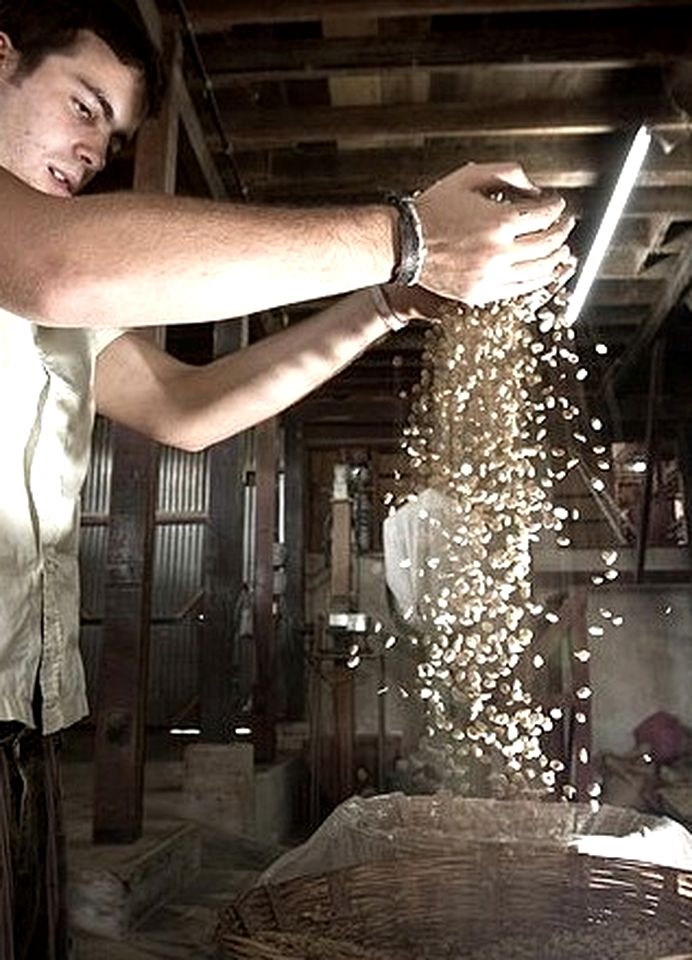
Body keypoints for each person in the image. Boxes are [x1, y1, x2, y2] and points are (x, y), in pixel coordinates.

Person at [0, 1, 575, 955]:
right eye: (84, 106)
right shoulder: (38, 257)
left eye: (112, 133)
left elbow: (188, 408)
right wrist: (406, 233)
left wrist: (388, 302)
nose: (94, 151)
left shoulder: (46, 296)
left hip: (17, 726)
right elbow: (50, 265)